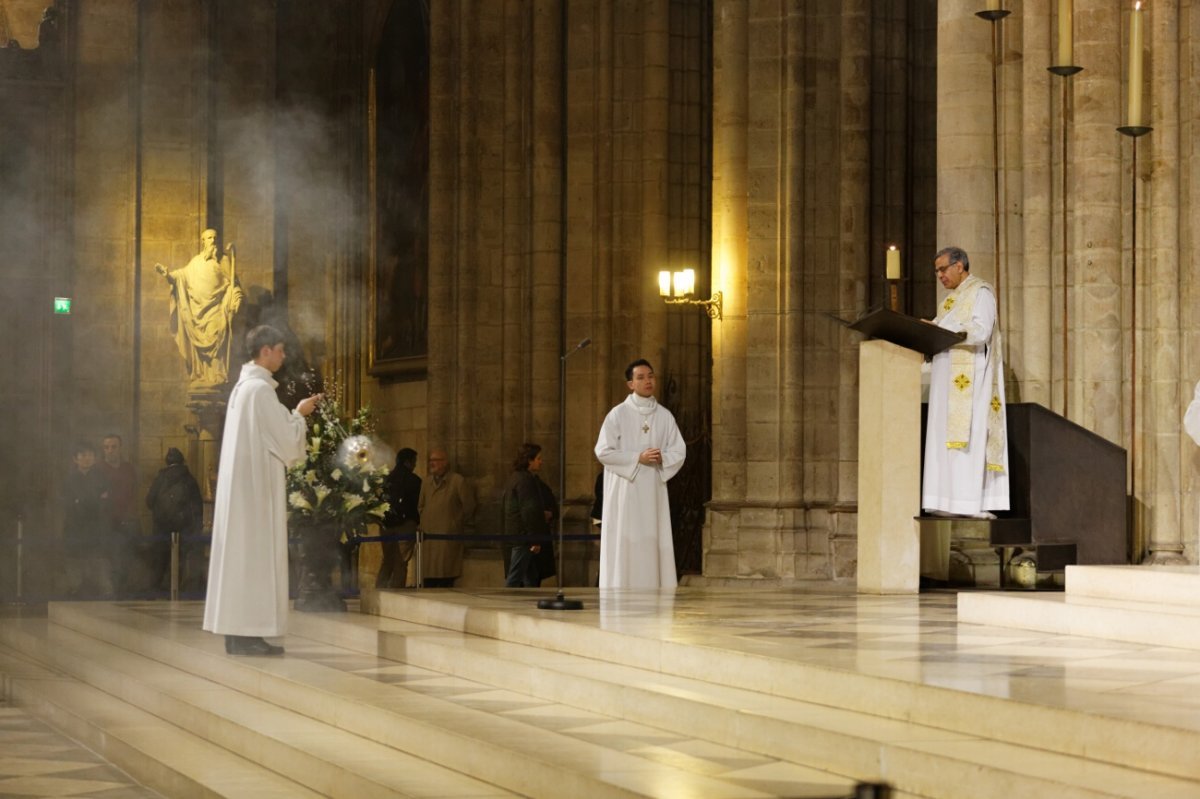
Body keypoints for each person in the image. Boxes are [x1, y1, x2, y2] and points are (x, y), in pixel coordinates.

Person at [202, 325, 320, 656]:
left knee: (242, 560)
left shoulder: (243, 389)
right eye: (280, 350)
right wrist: (299, 413)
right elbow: (287, 444)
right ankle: (249, 633)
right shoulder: (259, 391)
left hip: (243, 492)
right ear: (265, 351)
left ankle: (237, 633)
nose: (283, 356)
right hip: (254, 494)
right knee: (254, 559)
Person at [921, 246, 1009, 517]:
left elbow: (981, 331)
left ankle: (970, 503)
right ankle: (945, 501)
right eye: (936, 271)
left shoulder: (981, 292)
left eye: (943, 269)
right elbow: (941, 327)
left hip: (970, 381)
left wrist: (940, 329)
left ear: (960, 266)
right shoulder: (949, 301)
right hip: (945, 382)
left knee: (967, 439)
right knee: (943, 440)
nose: (940, 275)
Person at [594, 358, 686, 588]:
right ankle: (621, 586)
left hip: (653, 489)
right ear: (630, 384)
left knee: (652, 539)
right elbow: (603, 451)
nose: (648, 381)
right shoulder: (617, 414)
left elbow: (679, 450)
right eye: (641, 377)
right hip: (626, 490)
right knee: (627, 540)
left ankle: (654, 586)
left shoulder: (665, 416)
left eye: (651, 376)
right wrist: (637, 458)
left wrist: (662, 457)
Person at [155, 228, 244, 392]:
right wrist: (168, 274)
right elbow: (181, 276)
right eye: (209, 238)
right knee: (201, 345)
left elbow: (234, 285)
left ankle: (217, 376)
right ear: (203, 242)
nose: (213, 241)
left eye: (215, 238)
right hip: (198, 313)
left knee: (216, 338)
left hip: (217, 311)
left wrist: (236, 299)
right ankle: (202, 375)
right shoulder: (195, 262)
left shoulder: (223, 261)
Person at [145, 447, 204, 591]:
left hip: (161, 528)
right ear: (182, 461)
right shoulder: (189, 480)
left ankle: (155, 591)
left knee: (159, 561)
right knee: (180, 562)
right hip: (183, 529)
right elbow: (197, 506)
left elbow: (149, 501)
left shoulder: (160, 479)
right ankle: (178, 591)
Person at [416, 448, 476, 587]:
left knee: (445, 576)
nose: (432, 463)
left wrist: (455, 522)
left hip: (447, 538)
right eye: (431, 460)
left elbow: (469, 505)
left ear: (445, 462)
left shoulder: (457, 481)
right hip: (429, 538)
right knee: (429, 577)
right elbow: (421, 506)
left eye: (436, 460)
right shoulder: (426, 483)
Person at [61, 441, 113, 598]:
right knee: (75, 572)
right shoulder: (69, 480)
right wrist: (92, 500)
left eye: (91, 455)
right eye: (83, 455)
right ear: (75, 459)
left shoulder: (101, 477)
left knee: (99, 570)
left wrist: (83, 501)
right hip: (74, 530)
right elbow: (69, 504)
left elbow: (105, 502)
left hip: (96, 530)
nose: (87, 459)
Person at [502, 443, 557, 587]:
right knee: (515, 577)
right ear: (529, 460)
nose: (541, 461)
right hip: (523, 537)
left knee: (530, 575)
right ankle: (506, 603)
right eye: (538, 458)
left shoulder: (517, 478)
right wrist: (534, 539)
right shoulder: (525, 481)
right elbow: (528, 511)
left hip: (519, 535)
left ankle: (529, 602)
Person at [377, 447, 421, 589]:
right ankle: (397, 593)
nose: (414, 465)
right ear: (408, 462)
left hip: (386, 525)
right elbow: (417, 505)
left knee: (387, 561)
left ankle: (379, 591)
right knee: (401, 562)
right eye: (414, 462)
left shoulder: (386, 478)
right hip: (406, 524)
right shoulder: (414, 480)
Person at [100, 434, 138, 594]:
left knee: (128, 559)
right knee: (111, 559)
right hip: (107, 521)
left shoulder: (128, 469)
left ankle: (125, 592)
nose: (110, 451)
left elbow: (133, 492)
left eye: (114, 447)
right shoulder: (99, 469)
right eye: (107, 447)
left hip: (127, 520)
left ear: (120, 448)